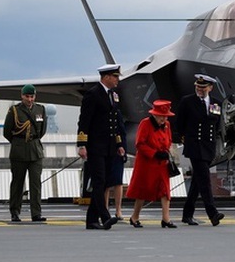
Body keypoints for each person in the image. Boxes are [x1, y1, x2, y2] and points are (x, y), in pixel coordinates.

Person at [77, 64, 126, 230]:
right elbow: (84, 121)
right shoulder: (93, 94)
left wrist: (119, 143)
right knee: (99, 181)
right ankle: (105, 217)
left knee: (104, 183)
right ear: (106, 77)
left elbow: (115, 123)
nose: (117, 79)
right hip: (95, 146)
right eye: (115, 76)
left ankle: (91, 220)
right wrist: (82, 144)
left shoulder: (113, 95)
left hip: (109, 146)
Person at [174, 74, 225, 226]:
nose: (200, 90)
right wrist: (186, 137)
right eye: (198, 87)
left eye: (203, 87)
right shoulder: (187, 102)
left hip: (208, 146)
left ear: (210, 88)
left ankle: (187, 214)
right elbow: (179, 124)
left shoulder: (216, 103)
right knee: (205, 179)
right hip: (194, 146)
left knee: (197, 181)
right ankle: (212, 213)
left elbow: (216, 125)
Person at [127, 100, 177, 229]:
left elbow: (169, 139)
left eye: (166, 116)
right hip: (147, 163)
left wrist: (166, 151)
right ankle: (135, 217)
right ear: (155, 115)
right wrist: (154, 153)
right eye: (162, 116)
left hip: (161, 163)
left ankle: (166, 219)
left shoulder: (167, 125)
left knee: (165, 191)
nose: (164, 119)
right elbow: (140, 144)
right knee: (143, 190)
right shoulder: (145, 124)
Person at [3, 84, 47, 222]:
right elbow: (7, 132)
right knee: (17, 183)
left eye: (32, 96)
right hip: (19, 150)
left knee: (36, 183)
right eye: (27, 96)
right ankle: (15, 212)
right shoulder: (15, 110)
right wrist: (19, 143)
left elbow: (42, 130)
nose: (29, 99)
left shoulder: (41, 109)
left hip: (35, 150)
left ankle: (36, 213)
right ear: (22, 96)